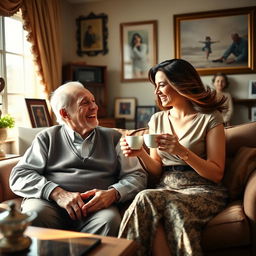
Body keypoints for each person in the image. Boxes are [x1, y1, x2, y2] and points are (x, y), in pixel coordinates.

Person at [118, 59, 228, 256]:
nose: (157, 92)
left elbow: (216, 173)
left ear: (180, 84)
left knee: (151, 200)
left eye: (161, 85)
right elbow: (156, 169)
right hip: (167, 187)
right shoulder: (157, 119)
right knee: (160, 206)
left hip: (202, 189)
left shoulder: (210, 118)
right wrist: (140, 153)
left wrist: (181, 151)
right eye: (155, 86)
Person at [10, 81, 147, 237]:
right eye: (85, 103)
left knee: (109, 221)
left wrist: (114, 193)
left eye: (93, 101)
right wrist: (57, 193)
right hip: (50, 205)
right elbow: (19, 175)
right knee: (35, 214)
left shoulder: (114, 138)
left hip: (95, 209)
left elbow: (138, 176)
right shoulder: (47, 137)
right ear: (65, 114)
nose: (95, 107)